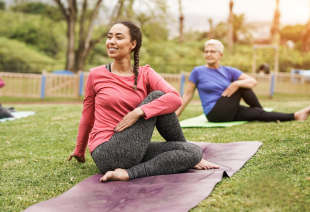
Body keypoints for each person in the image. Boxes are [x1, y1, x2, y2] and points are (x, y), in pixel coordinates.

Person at [67, 21, 219, 182]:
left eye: (118, 37)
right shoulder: (95, 74)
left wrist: (139, 112)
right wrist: (79, 150)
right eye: (109, 37)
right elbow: (87, 116)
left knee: (193, 152)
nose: (111, 41)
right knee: (158, 96)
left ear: (133, 44)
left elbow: (175, 98)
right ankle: (128, 171)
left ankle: (128, 173)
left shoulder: (145, 73)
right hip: (107, 150)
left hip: (134, 149)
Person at [175, 39, 310, 122]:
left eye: (212, 51)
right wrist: (176, 116)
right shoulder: (197, 71)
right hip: (214, 113)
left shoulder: (228, 70)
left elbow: (252, 81)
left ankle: (296, 115)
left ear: (220, 54)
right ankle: (263, 111)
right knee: (242, 88)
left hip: (229, 110)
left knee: (256, 113)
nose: (208, 54)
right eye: (206, 51)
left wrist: (236, 83)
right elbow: (188, 94)